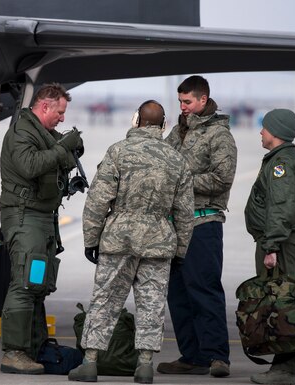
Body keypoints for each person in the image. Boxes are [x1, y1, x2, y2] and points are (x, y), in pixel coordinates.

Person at [68, 100, 194, 384]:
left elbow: (98, 200)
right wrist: (181, 250)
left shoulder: (118, 152)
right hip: (159, 241)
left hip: (119, 239)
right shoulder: (176, 160)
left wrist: (91, 239)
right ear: (163, 126)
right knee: (152, 304)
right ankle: (145, 365)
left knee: (105, 300)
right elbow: (185, 213)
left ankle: (89, 363)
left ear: (136, 120)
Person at [0, 83, 83, 374]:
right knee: (25, 283)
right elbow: (31, 165)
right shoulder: (23, 132)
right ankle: (14, 352)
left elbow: (64, 155)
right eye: (59, 112)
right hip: (25, 219)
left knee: (36, 285)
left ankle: (33, 348)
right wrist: (62, 148)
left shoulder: (43, 132)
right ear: (44, 106)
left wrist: (70, 146)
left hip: (41, 218)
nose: (61, 118)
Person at [158, 75, 237, 378]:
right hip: (175, 225)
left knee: (204, 291)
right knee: (178, 295)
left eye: (188, 102)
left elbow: (222, 178)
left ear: (203, 100)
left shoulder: (219, 135)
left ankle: (218, 357)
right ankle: (192, 356)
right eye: (180, 102)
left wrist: (182, 180)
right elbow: (162, 162)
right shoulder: (179, 132)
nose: (183, 107)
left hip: (203, 223)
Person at [244, 108, 295, 385]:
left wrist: (271, 246)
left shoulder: (281, 164)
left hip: (282, 243)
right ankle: (288, 365)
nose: (261, 132)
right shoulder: (284, 159)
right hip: (284, 240)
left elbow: (281, 208)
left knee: (281, 304)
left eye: (264, 128)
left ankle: (284, 370)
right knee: (286, 300)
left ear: (276, 132)